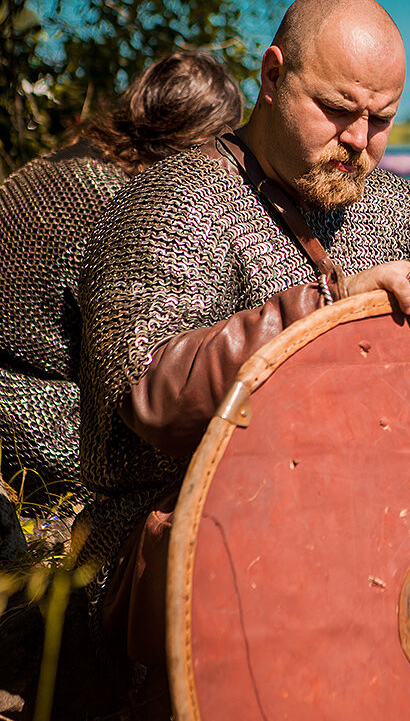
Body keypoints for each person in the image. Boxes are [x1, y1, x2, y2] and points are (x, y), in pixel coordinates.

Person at [72, 0, 410, 721]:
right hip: (187, 529)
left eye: (380, 120)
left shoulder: (392, 206)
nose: (358, 140)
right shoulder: (174, 203)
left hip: (378, 534)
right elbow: (152, 398)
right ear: (270, 75)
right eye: (336, 110)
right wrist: (331, 311)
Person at [0, 52, 244, 506]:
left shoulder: (66, 163)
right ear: (204, 137)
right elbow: (136, 365)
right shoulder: (126, 203)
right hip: (23, 404)